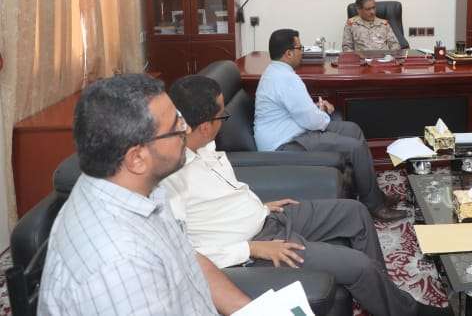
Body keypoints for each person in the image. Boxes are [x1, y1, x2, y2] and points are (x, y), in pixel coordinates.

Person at [163, 75, 449, 316]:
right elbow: (183, 251)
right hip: (257, 246)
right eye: (222, 116)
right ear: (204, 127)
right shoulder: (169, 176)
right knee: (359, 266)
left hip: (268, 217)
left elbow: (220, 196)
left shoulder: (202, 144)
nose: (224, 121)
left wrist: (258, 205)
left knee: (355, 212)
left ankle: (385, 298)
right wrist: (250, 249)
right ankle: (406, 311)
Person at [38, 74, 251, 316]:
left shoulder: (143, 189)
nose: (188, 129)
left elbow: (189, 260)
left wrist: (252, 310)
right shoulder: (119, 263)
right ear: (137, 158)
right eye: (176, 127)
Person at [254, 28, 406, 222]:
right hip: (285, 143)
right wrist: (324, 113)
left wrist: (317, 110)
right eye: (300, 48)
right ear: (289, 53)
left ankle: (373, 195)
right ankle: (375, 207)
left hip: (294, 129)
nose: (302, 52)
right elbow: (311, 120)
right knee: (356, 148)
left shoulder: (276, 72)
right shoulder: (285, 78)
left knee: (353, 129)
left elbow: (299, 110)